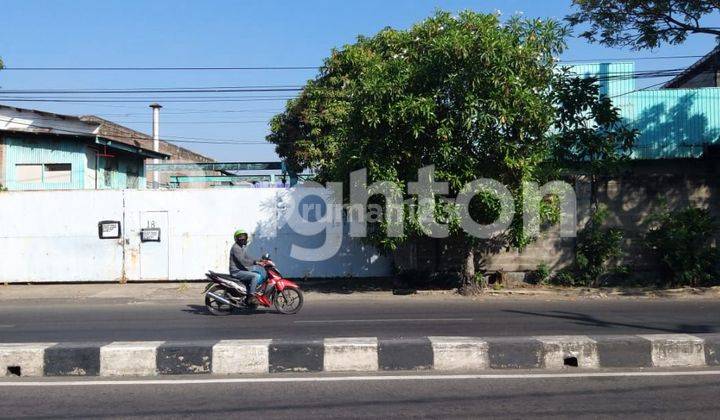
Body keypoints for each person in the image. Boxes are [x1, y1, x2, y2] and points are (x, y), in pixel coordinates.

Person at [229, 229, 262, 306]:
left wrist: (259, 260)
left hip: (240, 270)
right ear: (237, 239)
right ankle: (251, 296)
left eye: (244, 237)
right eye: (241, 237)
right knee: (255, 276)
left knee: (256, 273)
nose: (243, 239)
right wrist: (255, 262)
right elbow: (243, 261)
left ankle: (246, 296)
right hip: (236, 272)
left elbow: (247, 258)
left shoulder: (241, 247)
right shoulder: (236, 248)